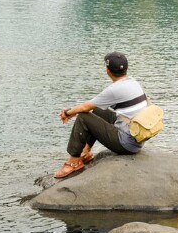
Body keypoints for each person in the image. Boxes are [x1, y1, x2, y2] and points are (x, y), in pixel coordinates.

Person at [54, 51, 147, 179]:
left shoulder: (114, 89)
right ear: (127, 68)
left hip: (126, 144)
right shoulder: (133, 82)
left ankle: (74, 162)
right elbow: (93, 106)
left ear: (107, 70)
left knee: (83, 117)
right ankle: (86, 152)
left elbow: (85, 107)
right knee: (98, 110)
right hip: (137, 136)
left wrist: (67, 113)